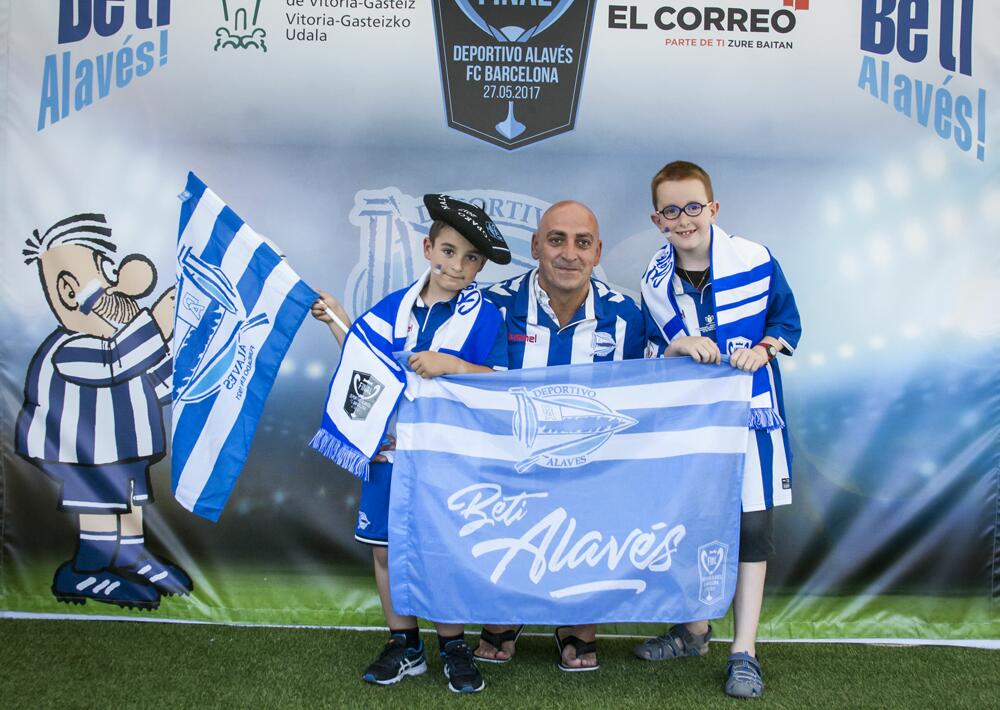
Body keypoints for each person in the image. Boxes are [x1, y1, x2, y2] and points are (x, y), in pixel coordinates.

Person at [311, 195, 511, 694]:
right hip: (391, 450)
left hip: (446, 457)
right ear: (428, 248)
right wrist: (338, 316)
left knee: (440, 550)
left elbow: (503, 382)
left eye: (469, 258)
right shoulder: (391, 309)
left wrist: (454, 365)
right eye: (447, 251)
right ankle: (405, 644)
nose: (456, 266)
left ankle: (453, 644)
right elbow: (364, 365)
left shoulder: (485, 318)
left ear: (481, 265)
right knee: (385, 551)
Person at [634, 161, 801, 699]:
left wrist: (764, 348)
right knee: (694, 525)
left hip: (752, 416)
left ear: (713, 208)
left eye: (693, 207)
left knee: (751, 531)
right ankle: (694, 629)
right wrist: (675, 345)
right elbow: (645, 350)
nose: (684, 219)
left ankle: (744, 650)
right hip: (691, 422)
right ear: (657, 219)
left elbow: (787, 321)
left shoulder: (755, 259)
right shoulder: (654, 282)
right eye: (671, 210)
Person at [476, 200, 647, 671]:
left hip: (592, 467)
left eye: (582, 242)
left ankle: (576, 621)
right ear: (535, 246)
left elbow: (655, 388)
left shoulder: (627, 316)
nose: (569, 253)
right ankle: (504, 613)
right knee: (499, 483)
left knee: (601, 491)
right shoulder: (493, 305)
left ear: (597, 253)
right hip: (510, 459)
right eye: (556, 240)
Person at [15, 213, 190, 610]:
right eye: (106, 272)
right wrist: (158, 323)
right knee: (98, 507)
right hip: (85, 452)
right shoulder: (70, 347)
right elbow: (115, 362)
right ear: (67, 289)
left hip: (124, 449)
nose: (119, 285)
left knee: (129, 502)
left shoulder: (120, 341)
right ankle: (84, 572)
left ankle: (132, 557)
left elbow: (154, 378)